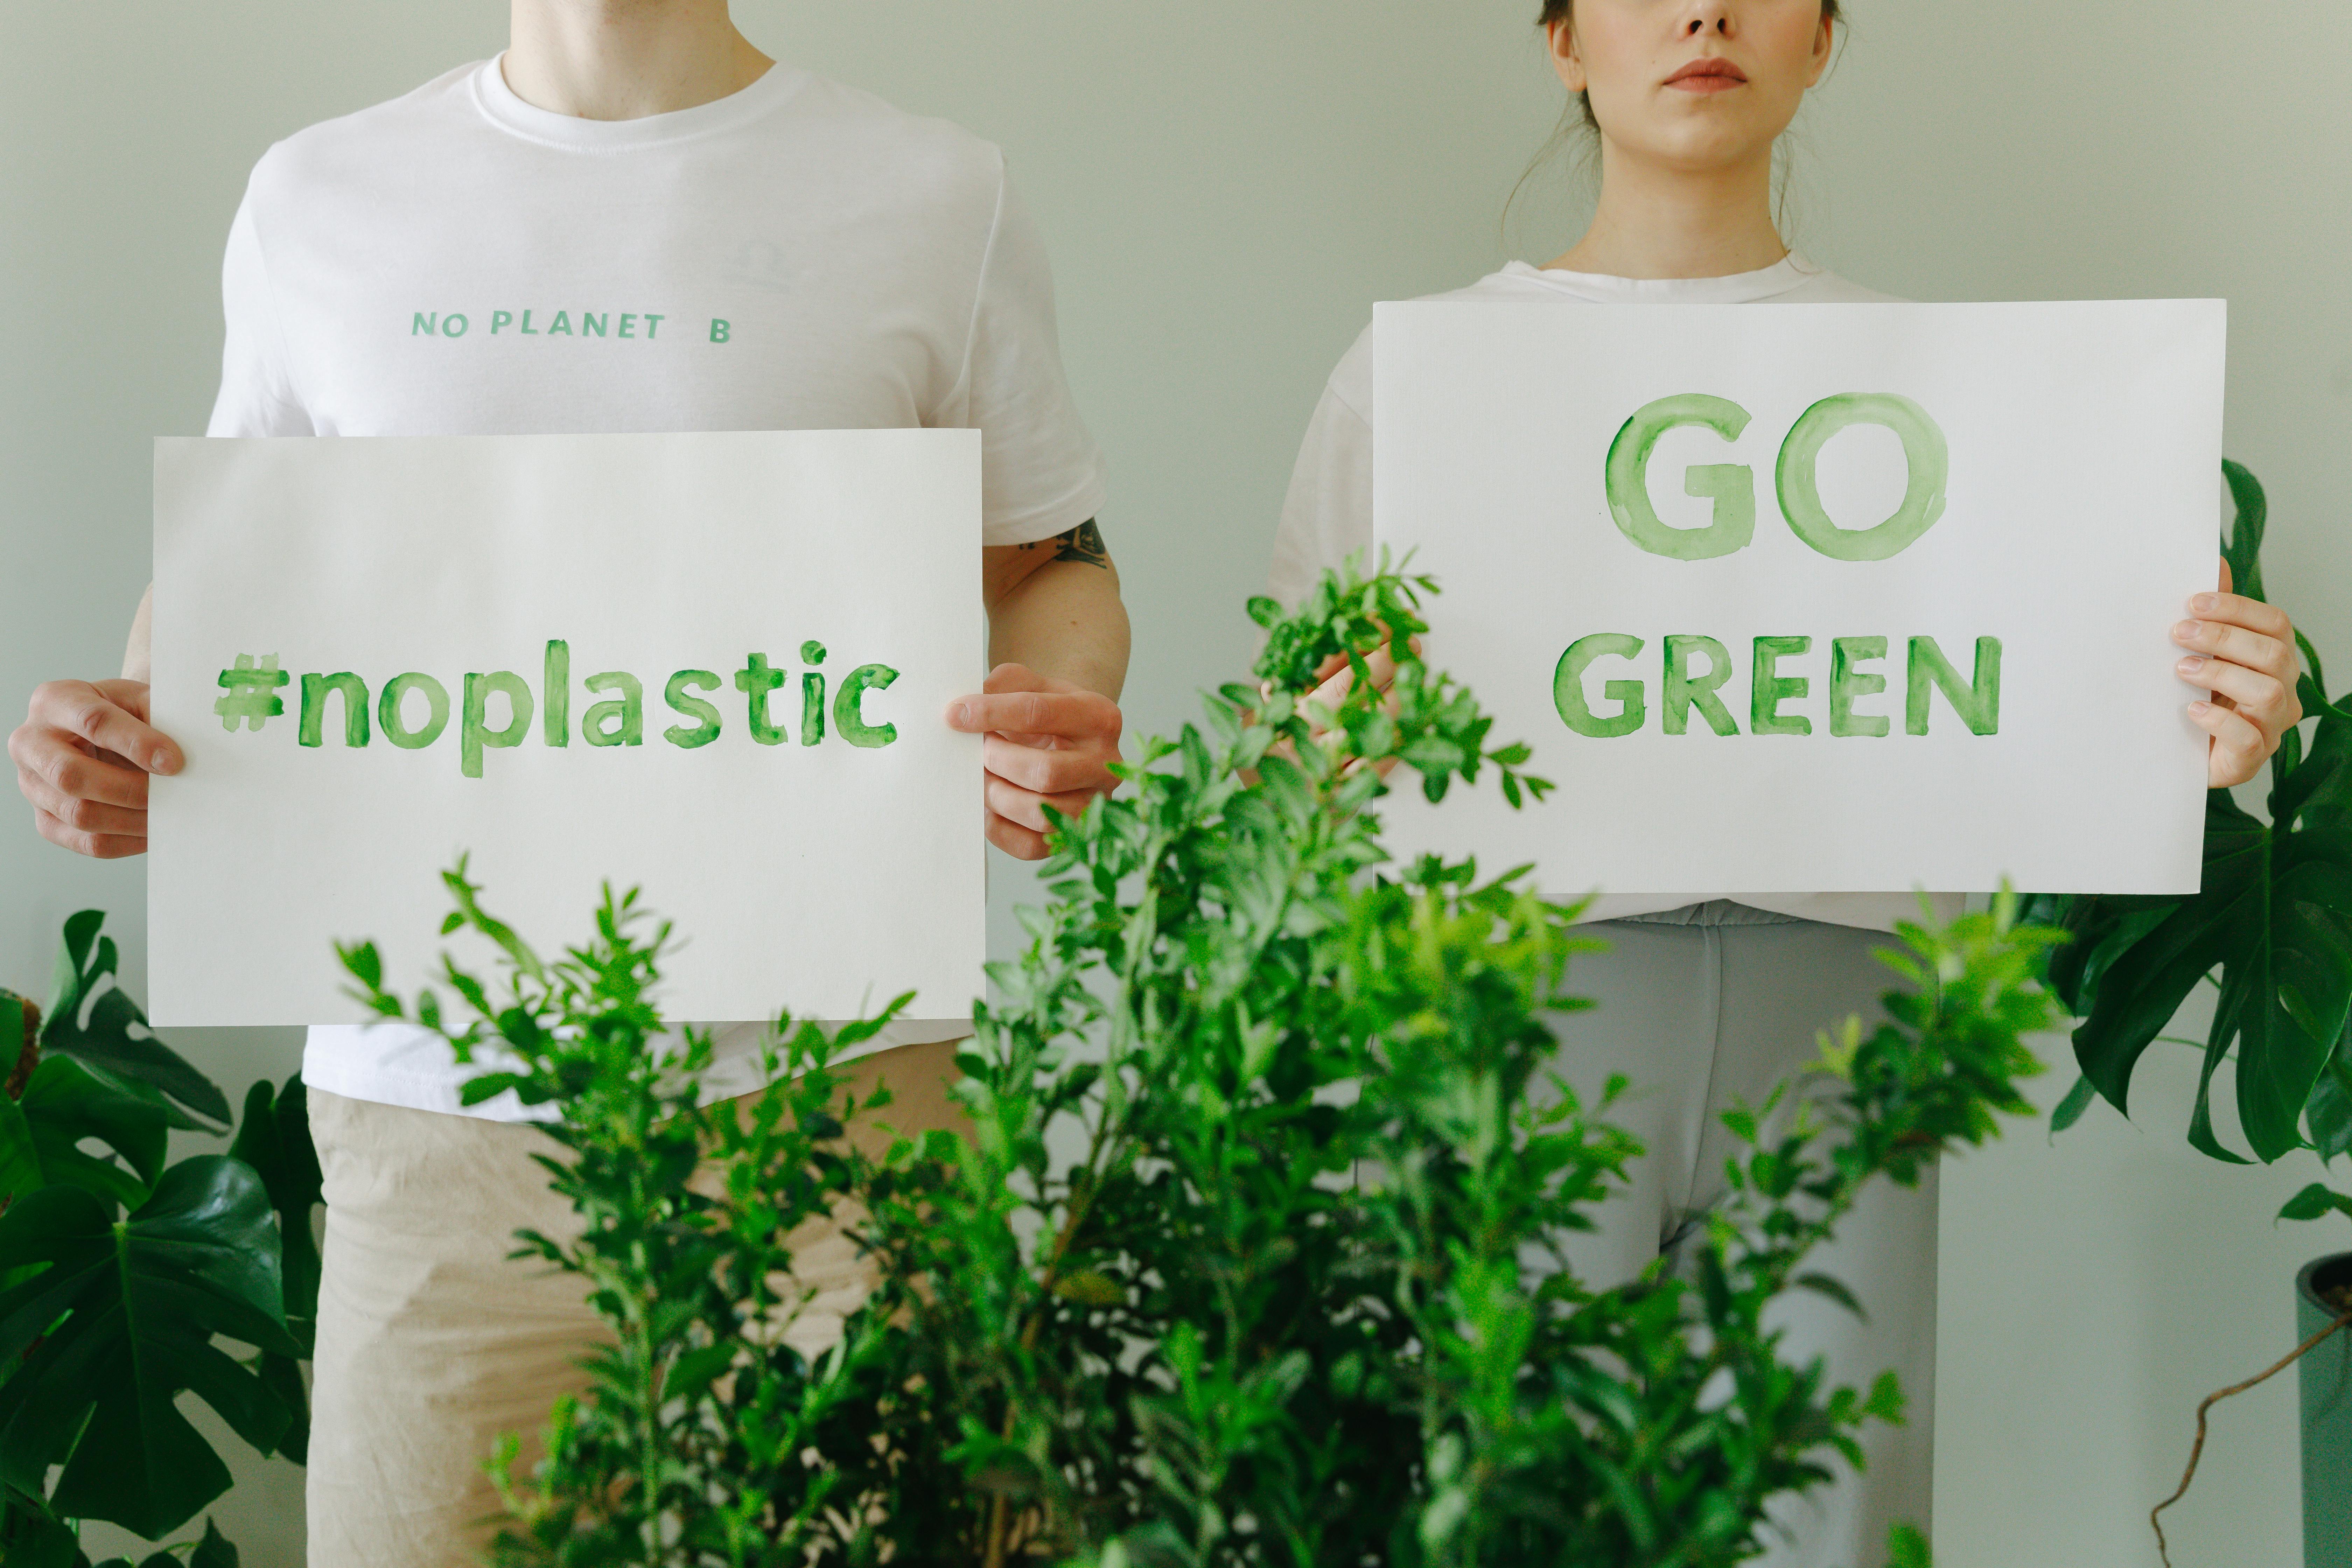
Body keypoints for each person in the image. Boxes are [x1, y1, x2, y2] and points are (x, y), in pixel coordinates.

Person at [8, 4, 1129, 1564]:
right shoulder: (318, 197)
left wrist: (1062, 702)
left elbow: (1052, 567)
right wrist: (133, 737)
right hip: (435, 1131)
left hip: (844, 1112)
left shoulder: (933, 190)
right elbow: (235, 584)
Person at [1266, 2, 2304, 1562]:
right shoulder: (1415, 375)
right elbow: (1289, 756)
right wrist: (1328, 741)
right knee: (1511, 1510)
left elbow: (2052, 717)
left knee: (1840, 1520)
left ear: (1824, 39)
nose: (1701, 13)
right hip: (1521, 995)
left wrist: (2210, 717)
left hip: (1847, 1005)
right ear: (1560, 40)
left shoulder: (1973, 397)